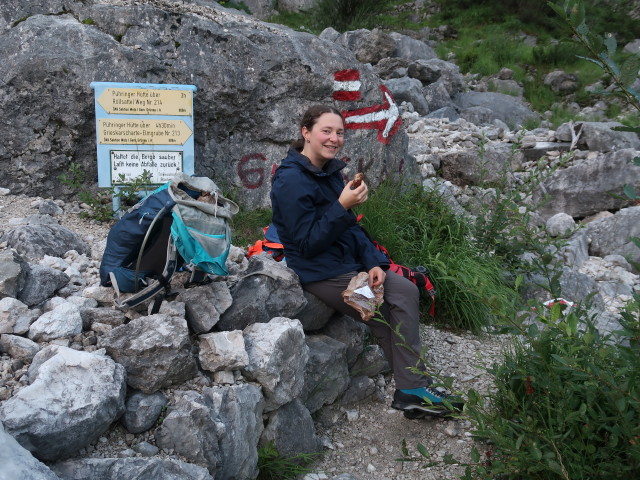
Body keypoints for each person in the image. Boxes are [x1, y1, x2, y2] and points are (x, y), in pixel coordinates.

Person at [270, 104, 462, 417]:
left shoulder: (330, 172)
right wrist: (341, 205)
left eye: (340, 132)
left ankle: (412, 388)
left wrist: (374, 262)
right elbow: (306, 245)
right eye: (326, 131)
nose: (334, 139)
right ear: (306, 132)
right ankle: (414, 389)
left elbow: (352, 228)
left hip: (347, 264)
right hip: (320, 272)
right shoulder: (290, 181)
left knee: (400, 292)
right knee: (390, 302)